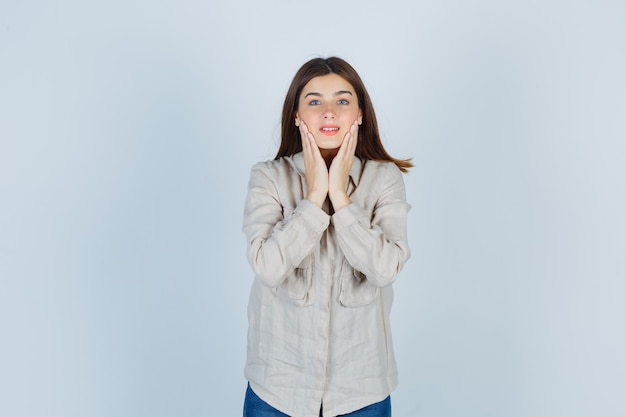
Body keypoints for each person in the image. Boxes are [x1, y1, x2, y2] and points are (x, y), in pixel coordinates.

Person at [242, 56, 412, 417]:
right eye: (315, 101)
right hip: (277, 390)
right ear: (297, 116)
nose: (329, 112)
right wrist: (314, 197)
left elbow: (385, 270)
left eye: (343, 100)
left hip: (361, 391)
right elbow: (268, 268)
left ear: (361, 114)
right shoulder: (268, 178)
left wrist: (341, 196)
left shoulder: (384, 180)